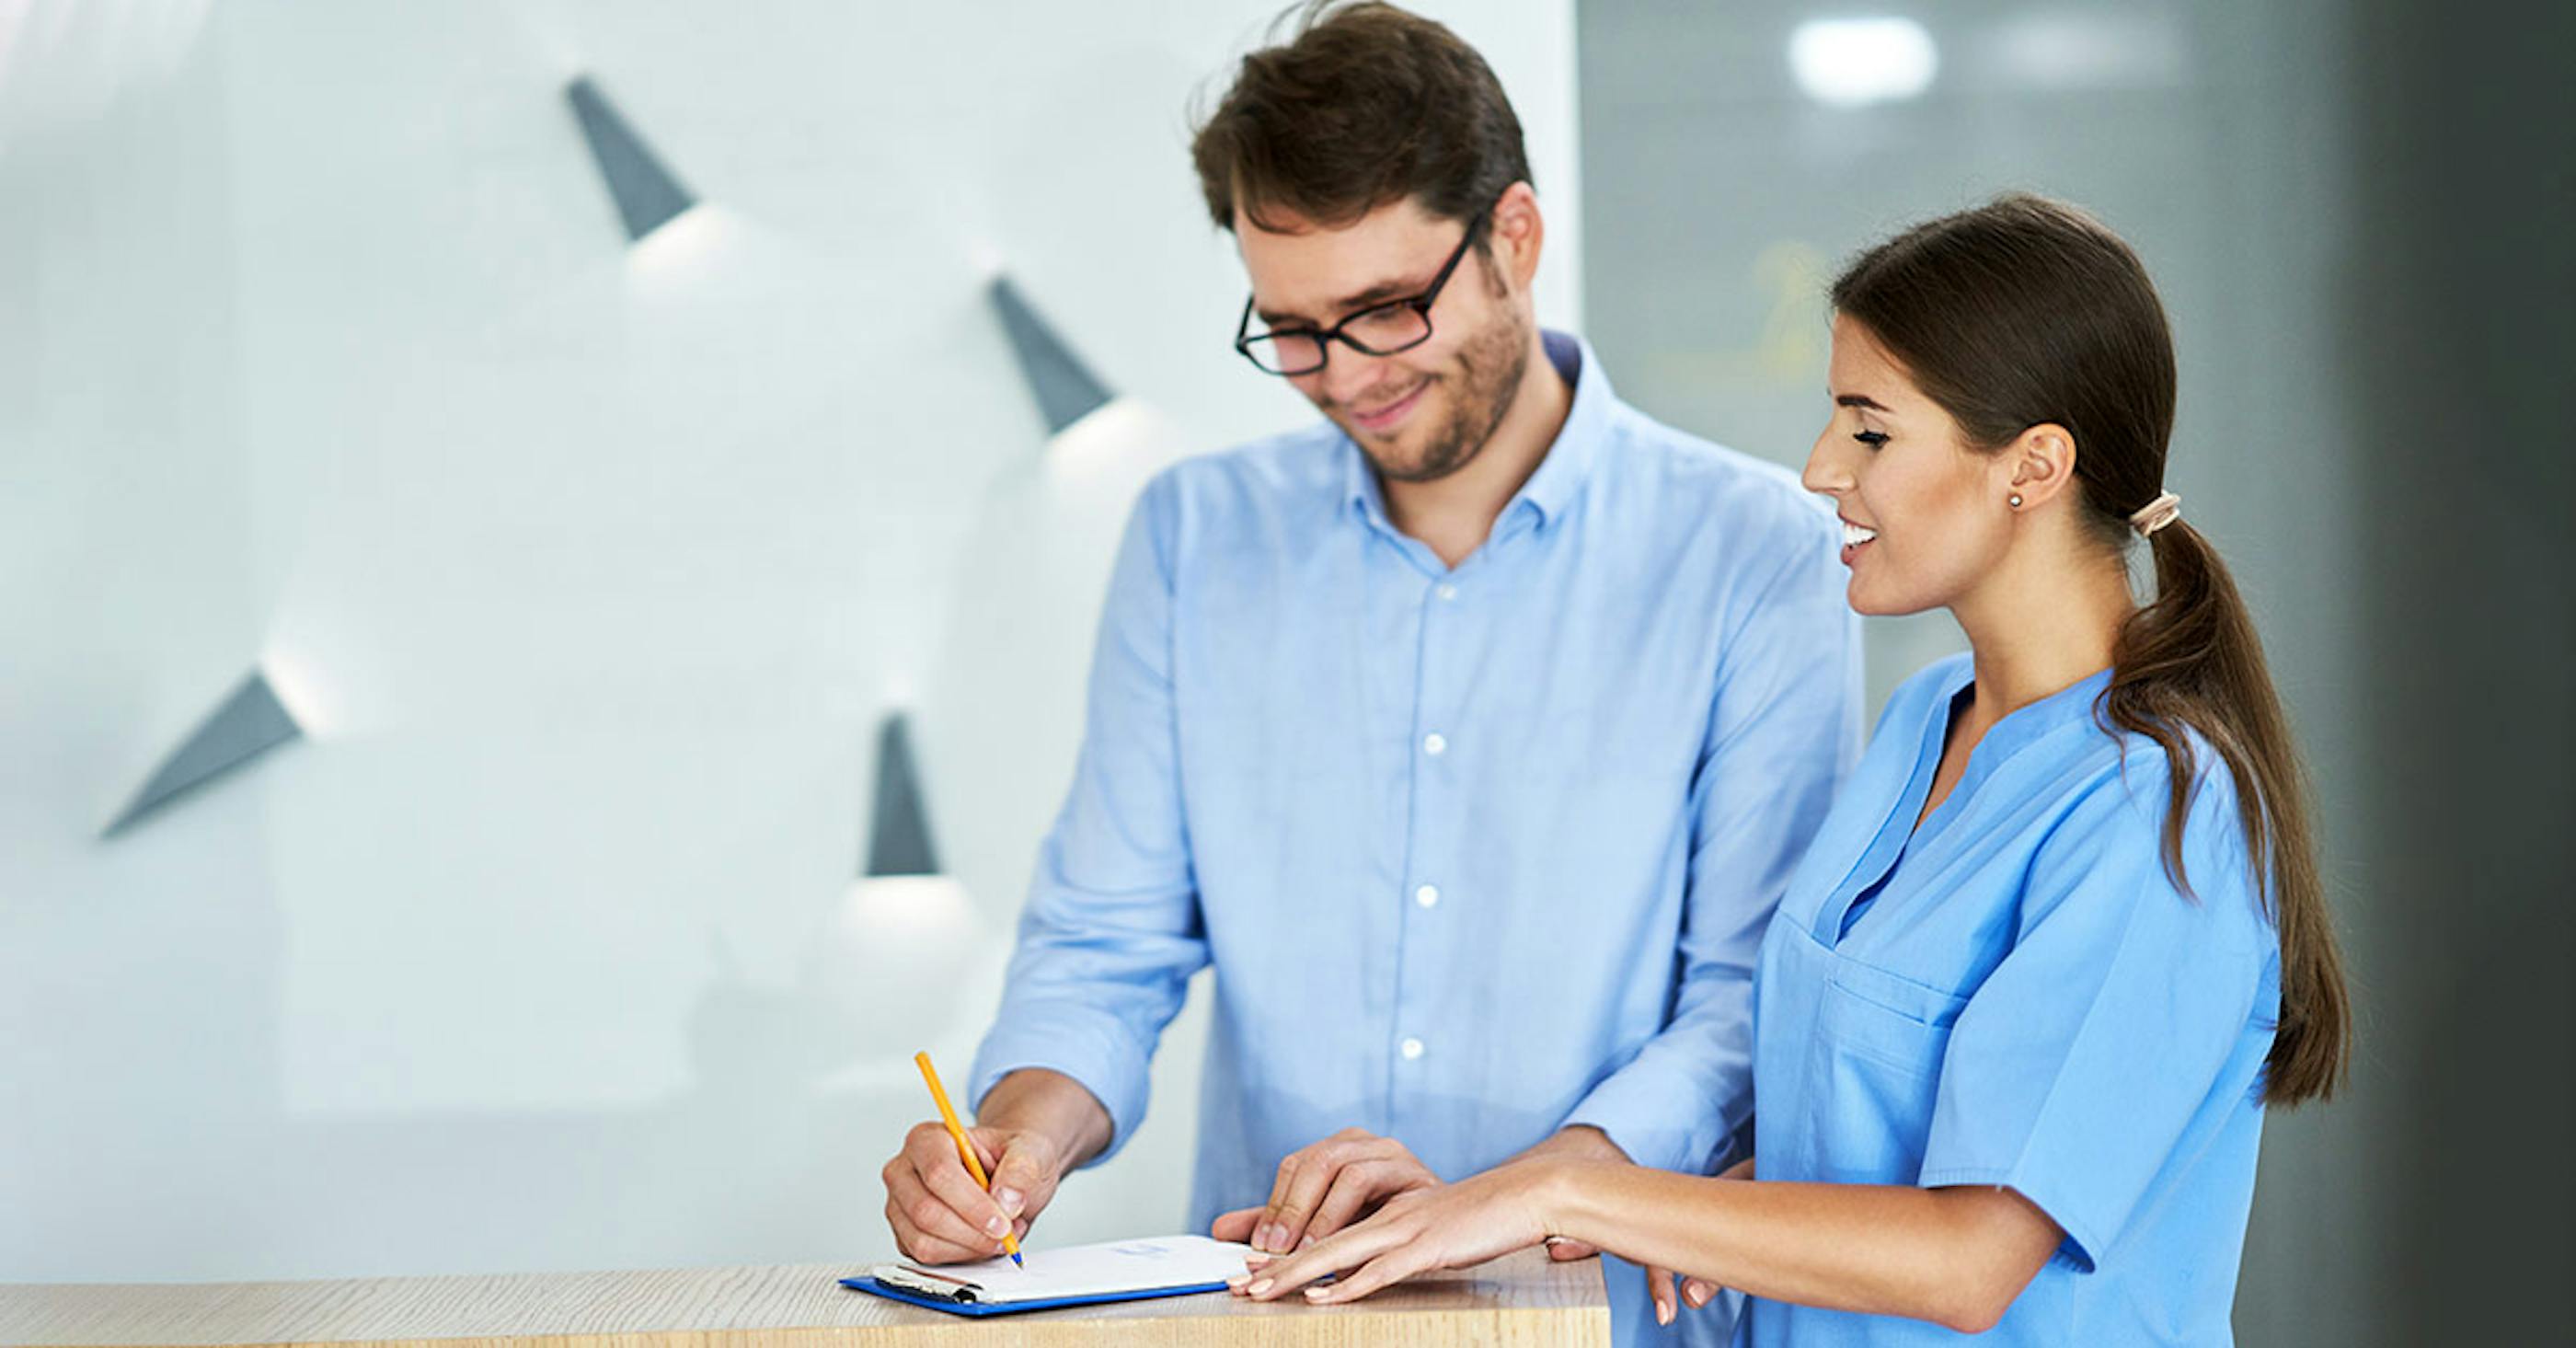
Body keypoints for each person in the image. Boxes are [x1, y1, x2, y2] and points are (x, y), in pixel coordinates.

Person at [874, 4, 1858, 1343]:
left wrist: (1512, 1196)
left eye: (1384, 312)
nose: (1342, 377)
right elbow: (1104, 943)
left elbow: (1752, 1001)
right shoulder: (1194, 539)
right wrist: (1016, 1140)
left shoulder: (1759, 556)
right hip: (1275, 1316)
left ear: (1513, 239)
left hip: (1610, 1321)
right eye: (1290, 329)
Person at [1228, 193, 2353, 1346]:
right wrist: (1572, 1213)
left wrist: (1565, 1189)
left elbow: (1973, 1261)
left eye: (1869, 431)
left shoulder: (2155, 812)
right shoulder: (1924, 720)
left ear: (2032, 466)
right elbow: (1864, 1131)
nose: (1821, 468)